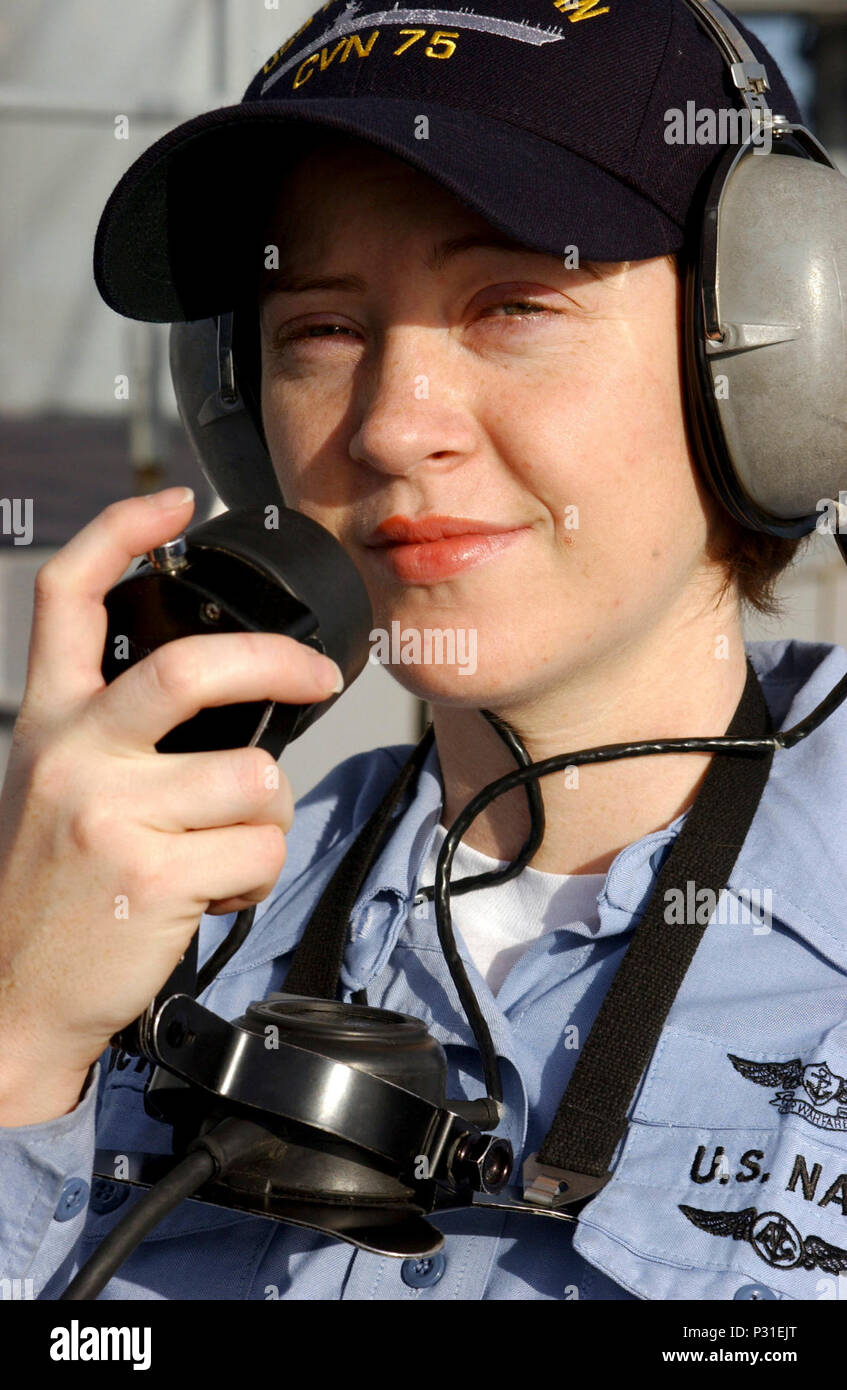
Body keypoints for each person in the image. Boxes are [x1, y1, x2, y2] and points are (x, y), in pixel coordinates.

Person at [1, 0, 846, 1302]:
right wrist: (20, 1043)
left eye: (513, 304)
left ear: (770, 353)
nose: (395, 426)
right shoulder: (124, 926)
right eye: (322, 330)